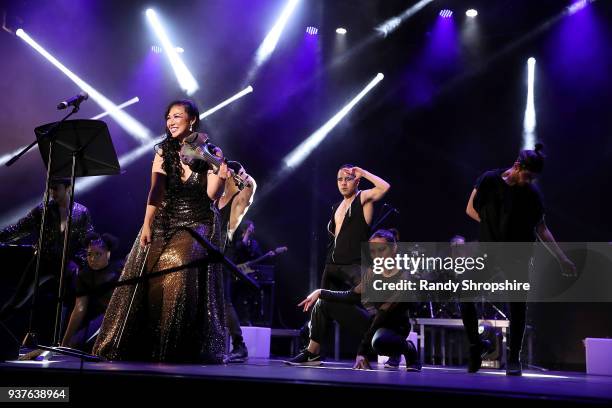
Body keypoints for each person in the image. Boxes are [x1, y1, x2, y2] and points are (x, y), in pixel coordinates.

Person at [93, 99, 229, 363]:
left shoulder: (212, 151)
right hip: (165, 219)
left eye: (178, 116)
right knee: (147, 271)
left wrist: (222, 176)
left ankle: (174, 346)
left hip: (197, 221)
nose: (171, 121)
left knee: (178, 269)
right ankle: (142, 344)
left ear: (193, 120)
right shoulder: (163, 151)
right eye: (168, 117)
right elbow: (156, 192)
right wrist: (146, 224)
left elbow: (212, 195)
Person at [463, 143, 576, 375]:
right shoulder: (489, 179)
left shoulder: (532, 194)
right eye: (527, 176)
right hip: (488, 251)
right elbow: (470, 208)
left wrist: (562, 258)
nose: (528, 181)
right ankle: (476, 347)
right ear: (516, 166)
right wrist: (490, 228)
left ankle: (514, 358)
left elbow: (542, 228)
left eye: (532, 178)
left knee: (517, 306)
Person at [286, 229, 420, 371]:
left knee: (380, 341)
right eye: (373, 252)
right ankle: (312, 354)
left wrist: (362, 352)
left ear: (393, 249)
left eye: (381, 250)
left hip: (393, 328)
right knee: (324, 302)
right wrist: (320, 292)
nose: (377, 256)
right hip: (374, 324)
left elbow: (382, 315)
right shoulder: (373, 273)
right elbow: (351, 295)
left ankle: (408, 349)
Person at [0, 177, 93, 342]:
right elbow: (20, 228)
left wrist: (78, 261)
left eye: (56, 188)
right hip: (43, 260)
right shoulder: (42, 210)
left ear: (68, 188)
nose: (52, 192)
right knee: (17, 300)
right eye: (50, 189)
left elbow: (87, 240)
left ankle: (64, 342)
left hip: (68, 264)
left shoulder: (82, 212)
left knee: (72, 301)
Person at [322, 165, 390, 291]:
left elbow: (384, 187)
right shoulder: (335, 207)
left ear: (357, 181)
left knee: (363, 308)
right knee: (324, 306)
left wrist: (363, 172)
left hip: (354, 266)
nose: (343, 183)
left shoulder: (362, 198)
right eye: (340, 179)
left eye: (348, 179)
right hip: (331, 266)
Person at [217, 161, 257, 363]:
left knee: (223, 300)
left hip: (223, 253)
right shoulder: (215, 197)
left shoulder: (237, 201)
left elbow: (251, 186)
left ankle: (239, 345)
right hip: (203, 252)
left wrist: (241, 173)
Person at [61, 233, 122, 352]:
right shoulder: (84, 276)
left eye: (98, 254)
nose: (93, 259)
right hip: (96, 321)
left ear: (108, 253)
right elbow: (79, 309)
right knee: (74, 344)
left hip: (117, 318)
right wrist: (65, 342)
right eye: (89, 254)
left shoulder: (119, 271)